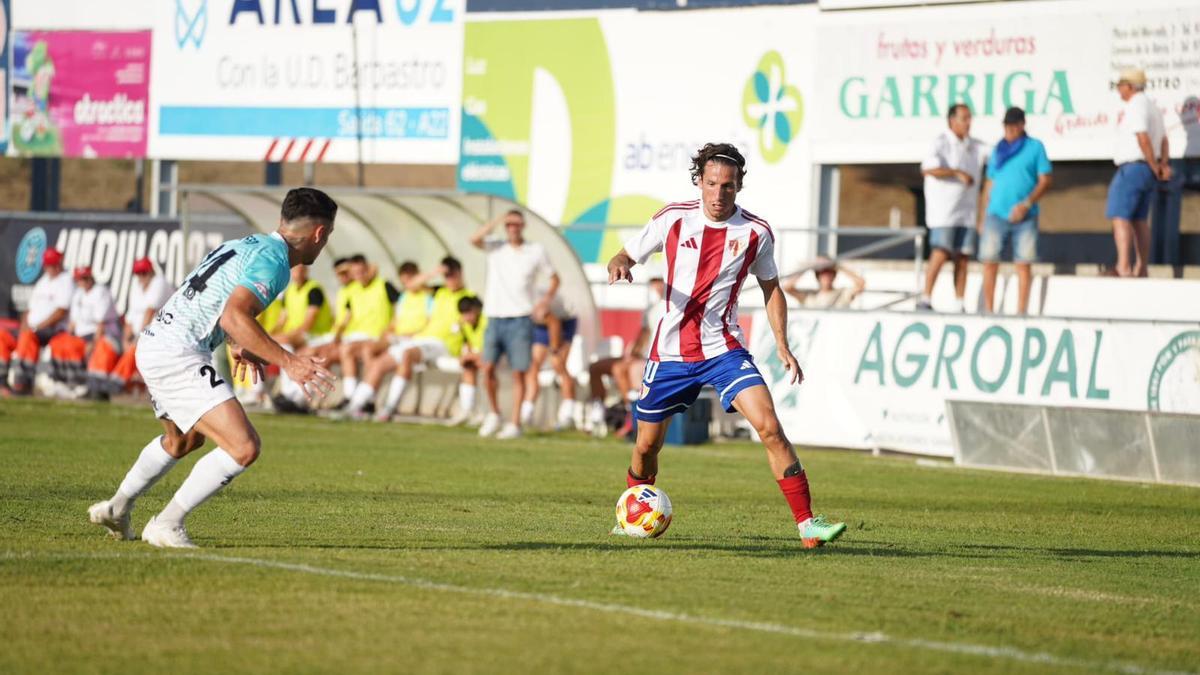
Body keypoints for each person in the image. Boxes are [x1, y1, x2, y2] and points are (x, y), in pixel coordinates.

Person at [605, 142, 846, 548]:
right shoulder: (672, 219)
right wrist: (619, 265)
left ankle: (808, 525)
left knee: (770, 427)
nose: (719, 193)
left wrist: (782, 344)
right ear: (699, 181)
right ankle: (632, 511)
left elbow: (772, 289)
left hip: (724, 349)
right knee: (646, 446)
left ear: (739, 186)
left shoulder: (756, 232)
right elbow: (625, 254)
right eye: (712, 184)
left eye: (728, 186)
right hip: (670, 353)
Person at [87, 187, 337, 548]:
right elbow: (234, 316)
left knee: (183, 440)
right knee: (244, 446)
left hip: (155, 342)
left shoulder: (246, 244)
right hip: (178, 352)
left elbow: (219, 301)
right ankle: (167, 523)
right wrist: (290, 362)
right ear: (319, 233)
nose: (325, 244)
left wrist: (237, 342)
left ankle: (117, 507)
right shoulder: (275, 261)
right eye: (328, 236)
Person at [346, 257, 474, 420]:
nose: (449, 279)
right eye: (446, 275)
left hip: (443, 345)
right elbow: (411, 285)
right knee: (379, 363)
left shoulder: (469, 297)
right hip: (421, 342)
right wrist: (435, 272)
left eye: (452, 274)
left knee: (407, 354)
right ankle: (353, 406)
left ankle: (389, 408)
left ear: (460, 273)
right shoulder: (439, 292)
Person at [470, 209, 559, 439]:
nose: (512, 228)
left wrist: (544, 301)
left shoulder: (535, 250)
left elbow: (554, 278)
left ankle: (515, 423)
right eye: (509, 224)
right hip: (494, 316)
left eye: (516, 224)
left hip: (520, 318)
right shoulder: (495, 246)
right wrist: (499, 219)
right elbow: (474, 239)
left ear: (523, 226)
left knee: (519, 372)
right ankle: (494, 414)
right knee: (487, 368)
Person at [979, 107, 1052, 315]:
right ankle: (989, 311)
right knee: (989, 261)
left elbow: (1045, 180)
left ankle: (1021, 312)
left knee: (1023, 263)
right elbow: (989, 183)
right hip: (995, 214)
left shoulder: (1035, 147)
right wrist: (982, 215)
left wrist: (1026, 204)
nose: (1009, 130)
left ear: (1022, 125)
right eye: (1006, 126)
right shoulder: (998, 150)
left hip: (1025, 216)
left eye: (1013, 126)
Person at [919, 103, 987, 312]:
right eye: (964, 118)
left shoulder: (975, 145)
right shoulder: (940, 143)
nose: (968, 123)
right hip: (944, 213)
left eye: (969, 118)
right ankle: (925, 298)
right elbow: (928, 169)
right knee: (940, 251)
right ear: (952, 120)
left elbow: (998, 155)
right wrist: (956, 172)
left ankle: (959, 302)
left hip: (967, 213)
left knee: (963, 256)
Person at [1108, 67, 1170, 278]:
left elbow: (1142, 137)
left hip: (1134, 166)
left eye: (1121, 85)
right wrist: (1161, 165)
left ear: (1131, 87)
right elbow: (1164, 140)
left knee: (1120, 216)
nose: (1119, 89)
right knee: (1139, 219)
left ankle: (1123, 266)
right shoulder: (1153, 107)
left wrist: (1154, 164)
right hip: (1145, 170)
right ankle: (1141, 267)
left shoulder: (1136, 105)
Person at [587, 277, 666, 438]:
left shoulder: (672, 307)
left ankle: (631, 413)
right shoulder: (652, 308)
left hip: (658, 358)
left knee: (619, 369)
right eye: (654, 282)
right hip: (643, 356)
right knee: (595, 368)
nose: (657, 286)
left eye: (660, 282)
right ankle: (598, 412)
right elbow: (644, 334)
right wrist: (633, 352)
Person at [9, 248, 75, 395]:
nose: (50, 268)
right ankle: (2, 382)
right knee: (3, 336)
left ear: (59, 263)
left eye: (53, 264)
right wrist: (25, 325)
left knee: (28, 337)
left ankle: (23, 382)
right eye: (48, 265)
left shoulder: (66, 281)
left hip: (52, 329)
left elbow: (61, 312)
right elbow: (29, 309)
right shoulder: (43, 281)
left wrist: (37, 327)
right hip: (33, 328)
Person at [338, 255, 400, 403]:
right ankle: (350, 396)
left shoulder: (384, 285)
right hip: (357, 336)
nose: (359, 275)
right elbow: (347, 316)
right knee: (343, 350)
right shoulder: (353, 290)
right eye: (355, 273)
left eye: (362, 271)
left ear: (368, 269)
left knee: (366, 350)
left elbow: (400, 308)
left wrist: (391, 328)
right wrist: (338, 334)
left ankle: (367, 399)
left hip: (379, 336)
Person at [111, 257, 173, 392]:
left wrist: (137, 339)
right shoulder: (137, 287)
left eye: (144, 272)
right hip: (144, 335)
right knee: (128, 349)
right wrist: (126, 339)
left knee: (135, 350)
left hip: (161, 334)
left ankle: (117, 381)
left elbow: (149, 312)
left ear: (151, 271)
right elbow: (130, 317)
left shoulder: (159, 282)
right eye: (138, 273)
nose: (141, 276)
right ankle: (122, 382)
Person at [521, 290, 578, 430]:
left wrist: (554, 349)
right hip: (543, 323)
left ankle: (567, 412)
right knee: (533, 366)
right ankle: (527, 410)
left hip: (563, 320)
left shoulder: (534, 305)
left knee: (558, 364)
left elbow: (554, 323)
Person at [67, 265, 123, 400]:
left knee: (99, 349)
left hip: (105, 334)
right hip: (82, 335)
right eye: (80, 279)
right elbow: (72, 323)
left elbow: (101, 324)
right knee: (64, 344)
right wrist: (69, 339)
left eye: (85, 278)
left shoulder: (100, 292)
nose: (83, 282)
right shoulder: (78, 294)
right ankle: (75, 385)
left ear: (91, 277)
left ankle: (98, 389)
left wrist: (93, 343)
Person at [446, 296, 488, 426]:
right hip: (478, 356)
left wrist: (471, 356)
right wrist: (466, 355)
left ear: (476, 310)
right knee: (468, 367)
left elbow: (491, 349)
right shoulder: (464, 325)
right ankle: (467, 410)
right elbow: (468, 342)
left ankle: (486, 412)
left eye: (469, 313)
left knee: (484, 366)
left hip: (496, 358)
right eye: (464, 314)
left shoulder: (487, 322)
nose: (467, 317)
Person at [781, 256, 866, 309]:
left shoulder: (842, 293)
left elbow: (861, 284)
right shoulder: (809, 295)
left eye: (830, 272)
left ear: (834, 275)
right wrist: (809, 266)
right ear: (818, 276)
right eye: (823, 273)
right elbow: (787, 288)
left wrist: (837, 266)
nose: (826, 276)